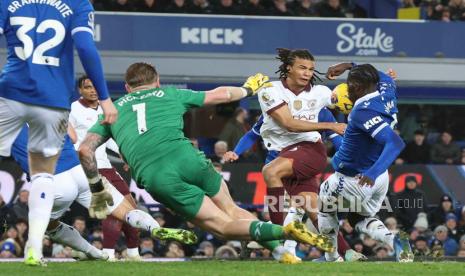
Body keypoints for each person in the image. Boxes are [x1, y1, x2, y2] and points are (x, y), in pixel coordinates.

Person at [78, 62, 334, 264]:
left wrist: (96, 188)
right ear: (156, 81)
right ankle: (282, 253)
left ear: (126, 87)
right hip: (189, 158)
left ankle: (285, 233)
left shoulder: (111, 110)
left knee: (222, 227)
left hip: (157, 175)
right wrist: (248, 89)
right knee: (232, 210)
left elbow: (86, 150)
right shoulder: (169, 93)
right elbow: (219, 95)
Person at [0, 0, 118, 266]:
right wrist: (106, 97)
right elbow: (87, 48)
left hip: (11, 93)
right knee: (43, 174)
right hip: (52, 101)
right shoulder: (77, 4)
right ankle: (34, 249)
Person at [10, 125, 197, 263]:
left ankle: (93, 253)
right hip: (81, 170)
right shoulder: (51, 106)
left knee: (50, 225)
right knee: (125, 211)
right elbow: (74, 137)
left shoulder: (6, 120)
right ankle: (153, 228)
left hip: (52, 179)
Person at [317, 63, 413, 262]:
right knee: (357, 218)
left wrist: (372, 171)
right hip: (380, 178)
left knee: (325, 208)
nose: (347, 90)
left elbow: (395, 142)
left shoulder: (363, 112)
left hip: (357, 178)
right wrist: (348, 66)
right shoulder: (387, 88)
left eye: (349, 86)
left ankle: (332, 258)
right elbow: (377, 74)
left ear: (359, 88)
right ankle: (394, 239)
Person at [256, 48, 345, 243]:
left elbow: (348, 98)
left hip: (309, 148)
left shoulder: (320, 92)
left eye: (311, 69)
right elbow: (289, 123)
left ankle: (276, 237)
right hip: (285, 153)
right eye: (302, 68)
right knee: (312, 207)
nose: (307, 73)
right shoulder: (269, 90)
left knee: (270, 172)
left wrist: (382, 83)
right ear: (288, 68)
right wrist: (330, 125)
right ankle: (345, 252)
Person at [69, 75, 140, 261]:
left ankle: (133, 253)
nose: (92, 90)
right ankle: (108, 254)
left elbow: (108, 139)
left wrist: (125, 154)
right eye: (87, 87)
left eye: (95, 87)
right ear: (80, 90)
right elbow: (70, 141)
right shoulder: (72, 110)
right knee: (113, 210)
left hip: (107, 166)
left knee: (131, 207)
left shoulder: (106, 109)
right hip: (88, 168)